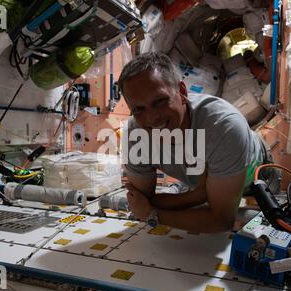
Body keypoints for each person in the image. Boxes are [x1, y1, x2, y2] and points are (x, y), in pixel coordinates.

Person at [119, 52, 278, 233]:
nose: (152, 117)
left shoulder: (222, 126)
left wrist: (154, 214)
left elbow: (221, 221)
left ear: (182, 92)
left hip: (257, 178)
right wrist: (196, 196)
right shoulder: (136, 133)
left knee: (264, 226)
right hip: (201, 185)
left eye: (160, 101)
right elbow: (142, 200)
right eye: (139, 109)